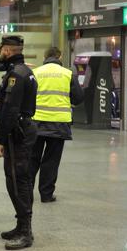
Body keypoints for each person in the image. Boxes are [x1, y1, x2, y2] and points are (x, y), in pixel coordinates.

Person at [0, 35, 38, 250]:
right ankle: (21, 225)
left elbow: (10, 110)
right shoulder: (23, 71)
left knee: (18, 180)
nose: (0, 53)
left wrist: (0, 140)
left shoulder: (16, 75)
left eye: (1, 50)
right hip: (23, 129)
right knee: (20, 178)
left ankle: (26, 232)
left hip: (17, 132)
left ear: (7, 51)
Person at [30, 47, 84, 203]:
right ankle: (46, 195)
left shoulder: (36, 73)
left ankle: (26, 193)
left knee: (32, 159)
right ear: (59, 56)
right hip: (59, 123)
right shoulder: (67, 74)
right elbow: (78, 98)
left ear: (45, 57)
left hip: (36, 122)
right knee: (51, 161)